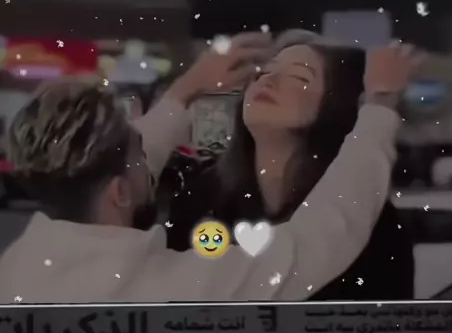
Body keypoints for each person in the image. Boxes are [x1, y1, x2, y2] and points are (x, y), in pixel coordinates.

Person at [0, 32, 419, 303]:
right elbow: (321, 238)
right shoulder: (167, 280)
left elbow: (104, 160)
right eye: (140, 157)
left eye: (299, 77)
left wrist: (186, 89)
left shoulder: (21, 265)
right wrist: (380, 106)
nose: (266, 80)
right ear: (120, 193)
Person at [167, 31, 418, 300]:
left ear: (339, 105)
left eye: (299, 77)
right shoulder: (201, 198)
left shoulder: (372, 223)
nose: (269, 80)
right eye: (264, 72)